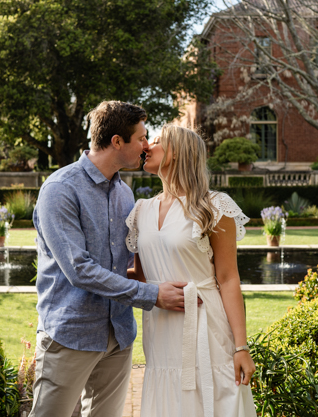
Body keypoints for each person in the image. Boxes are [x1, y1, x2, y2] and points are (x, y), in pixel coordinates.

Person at [30, 101, 189, 417]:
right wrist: (153, 294)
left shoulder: (124, 193)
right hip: (70, 334)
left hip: (119, 335)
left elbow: (123, 264)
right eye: (141, 138)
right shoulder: (60, 189)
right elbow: (80, 270)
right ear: (117, 141)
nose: (146, 146)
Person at [126, 124, 256, 417]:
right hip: (160, 329)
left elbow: (228, 278)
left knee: (214, 398)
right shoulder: (141, 210)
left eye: (156, 141)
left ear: (176, 152)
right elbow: (142, 276)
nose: (147, 146)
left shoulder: (213, 206)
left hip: (206, 325)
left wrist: (240, 347)